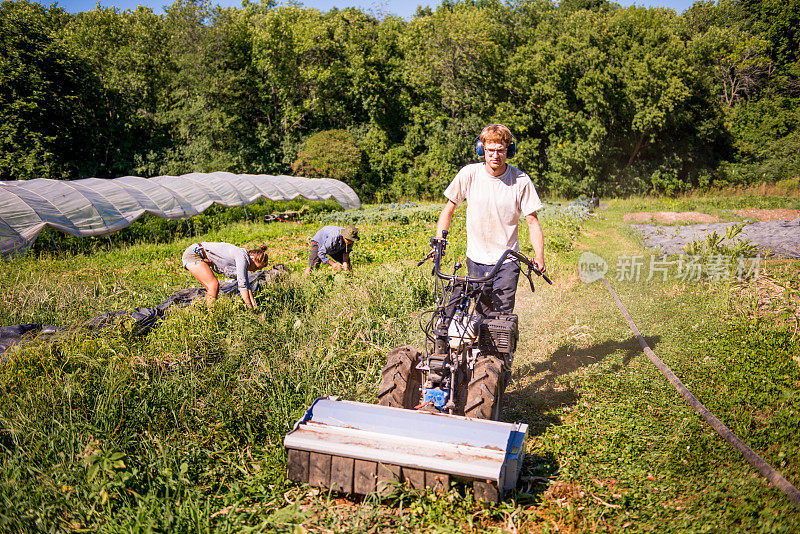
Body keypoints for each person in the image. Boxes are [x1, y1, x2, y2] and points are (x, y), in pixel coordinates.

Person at [435, 123, 545, 315]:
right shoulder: (469, 174)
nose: (495, 155)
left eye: (500, 150)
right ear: (482, 150)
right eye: (490, 150)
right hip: (476, 259)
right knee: (481, 315)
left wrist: (539, 256)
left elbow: (532, 221)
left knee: (501, 318)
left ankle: (502, 344)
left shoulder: (520, 181)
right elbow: (449, 209)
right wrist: (439, 242)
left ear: (508, 150)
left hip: (507, 260)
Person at [181, 242, 269, 309]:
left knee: (212, 289)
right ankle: (211, 316)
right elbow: (242, 285)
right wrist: (249, 307)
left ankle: (208, 310)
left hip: (200, 254)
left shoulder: (243, 259)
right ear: (252, 258)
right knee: (213, 285)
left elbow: (247, 286)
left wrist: (254, 305)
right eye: (256, 267)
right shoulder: (242, 256)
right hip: (194, 253)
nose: (254, 271)